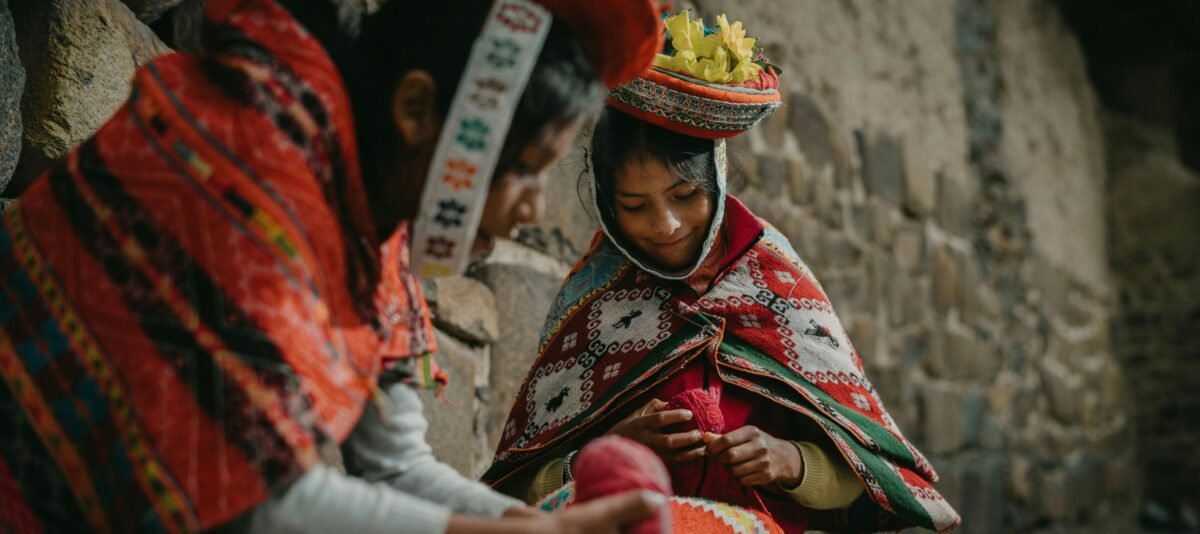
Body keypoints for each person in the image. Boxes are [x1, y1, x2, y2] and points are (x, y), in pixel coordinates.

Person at [0, 0, 668, 532]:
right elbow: (259, 506)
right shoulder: (250, 165)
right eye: (523, 169)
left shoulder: (374, 239)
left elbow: (394, 465)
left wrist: (522, 520)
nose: (529, 209)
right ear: (416, 109)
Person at [485, 11, 961, 533]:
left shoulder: (779, 285)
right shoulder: (594, 302)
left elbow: (866, 472)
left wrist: (791, 462)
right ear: (606, 206)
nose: (664, 225)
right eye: (634, 206)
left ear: (717, 181)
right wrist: (600, 454)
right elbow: (519, 483)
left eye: (685, 196)